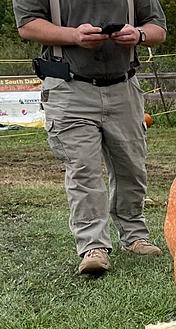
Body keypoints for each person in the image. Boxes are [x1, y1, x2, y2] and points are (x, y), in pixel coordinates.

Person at [13, 0, 167, 277]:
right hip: (68, 89)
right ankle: (92, 246)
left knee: (131, 166)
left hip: (124, 88)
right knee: (84, 167)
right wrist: (74, 36)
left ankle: (134, 236)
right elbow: (27, 25)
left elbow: (158, 28)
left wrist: (139, 35)